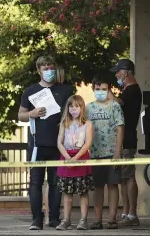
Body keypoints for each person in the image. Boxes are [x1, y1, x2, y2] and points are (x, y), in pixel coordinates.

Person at [18, 55, 74, 230]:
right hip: (36, 145)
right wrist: (32, 114)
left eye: (51, 68)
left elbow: (74, 113)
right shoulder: (30, 91)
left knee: (56, 182)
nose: (49, 71)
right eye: (45, 68)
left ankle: (55, 218)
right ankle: (36, 219)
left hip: (59, 144)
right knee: (35, 182)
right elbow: (20, 115)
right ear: (38, 70)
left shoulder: (65, 90)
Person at [86, 76, 124, 230]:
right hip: (95, 153)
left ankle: (112, 219)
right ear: (93, 89)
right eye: (98, 89)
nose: (100, 92)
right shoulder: (88, 108)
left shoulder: (114, 106)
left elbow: (120, 128)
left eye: (104, 89)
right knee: (98, 186)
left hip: (111, 152)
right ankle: (97, 220)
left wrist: (117, 152)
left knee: (113, 185)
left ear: (108, 90)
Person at [108, 59, 142, 226]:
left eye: (118, 72)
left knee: (128, 176)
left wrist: (108, 93)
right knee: (123, 177)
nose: (116, 75)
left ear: (126, 72)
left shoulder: (133, 90)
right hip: (122, 140)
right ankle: (126, 212)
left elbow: (119, 103)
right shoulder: (127, 90)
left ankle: (133, 214)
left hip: (127, 139)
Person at [56, 95, 94, 231]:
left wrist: (76, 159)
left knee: (83, 192)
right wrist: (67, 158)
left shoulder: (88, 124)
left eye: (77, 106)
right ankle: (66, 220)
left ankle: (83, 220)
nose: (73, 109)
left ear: (82, 107)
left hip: (81, 157)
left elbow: (87, 143)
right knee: (67, 193)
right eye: (71, 106)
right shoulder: (63, 123)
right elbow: (59, 142)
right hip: (66, 157)